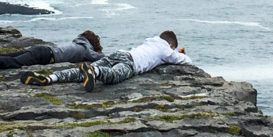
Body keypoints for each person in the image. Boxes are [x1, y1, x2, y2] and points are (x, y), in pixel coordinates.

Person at [19, 30, 191, 92]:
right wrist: (180, 53)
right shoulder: (165, 49)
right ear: (170, 45)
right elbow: (184, 61)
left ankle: (50, 78)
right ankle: (95, 72)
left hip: (120, 53)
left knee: (81, 72)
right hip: (132, 64)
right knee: (114, 75)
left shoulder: (151, 40)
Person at [0, 31, 103, 71]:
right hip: (45, 55)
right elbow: (97, 57)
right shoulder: (85, 50)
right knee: (14, 63)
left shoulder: (77, 43)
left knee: (4, 55)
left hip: (43, 50)